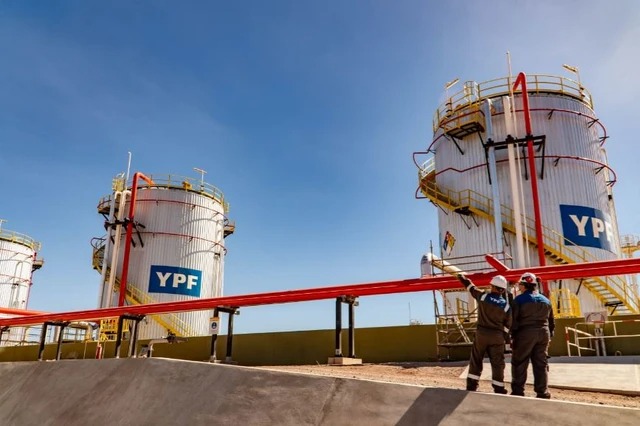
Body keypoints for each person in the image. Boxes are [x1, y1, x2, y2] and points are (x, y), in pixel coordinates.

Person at [456, 273, 512, 394]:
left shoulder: (483, 296)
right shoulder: (506, 306)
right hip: (497, 337)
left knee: (476, 359)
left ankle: (472, 385)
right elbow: (508, 325)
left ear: (492, 286)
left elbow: (471, 287)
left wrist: (462, 278)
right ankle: (499, 387)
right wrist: (503, 337)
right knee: (497, 362)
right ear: (503, 290)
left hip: (481, 334)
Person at [510, 272, 555, 398]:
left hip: (525, 334)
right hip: (543, 333)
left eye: (520, 284)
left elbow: (513, 320)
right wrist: (550, 335)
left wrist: (512, 336)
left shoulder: (518, 300)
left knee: (520, 361)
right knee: (541, 363)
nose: (519, 286)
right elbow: (551, 321)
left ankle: (518, 391)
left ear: (524, 285)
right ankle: (543, 392)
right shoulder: (546, 300)